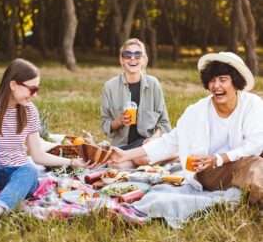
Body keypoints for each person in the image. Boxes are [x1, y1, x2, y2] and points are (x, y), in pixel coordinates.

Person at [110, 52, 263, 208]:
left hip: (235, 158)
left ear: (236, 83)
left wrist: (220, 157)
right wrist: (126, 154)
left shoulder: (252, 104)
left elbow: (256, 143)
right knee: (253, 164)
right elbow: (169, 142)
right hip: (209, 170)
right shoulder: (196, 112)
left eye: (223, 80)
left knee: (255, 157)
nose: (216, 86)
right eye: (212, 80)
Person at [0, 58, 90, 232]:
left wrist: (72, 162)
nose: (35, 95)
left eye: (37, 89)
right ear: (13, 85)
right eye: (32, 89)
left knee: (29, 171)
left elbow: (37, 155)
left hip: (14, 173)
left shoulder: (30, 111)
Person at [101, 38, 171, 166]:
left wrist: (153, 139)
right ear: (122, 60)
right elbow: (106, 124)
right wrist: (120, 121)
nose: (133, 58)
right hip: (123, 146)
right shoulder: (110, 87)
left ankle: (174, 157)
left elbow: (164, 123)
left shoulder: (153, 84)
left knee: (141, 159)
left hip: (146, 145)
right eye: (128, 55)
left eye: (138, 55)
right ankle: (147, 160)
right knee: (114, 165)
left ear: (143, 60)